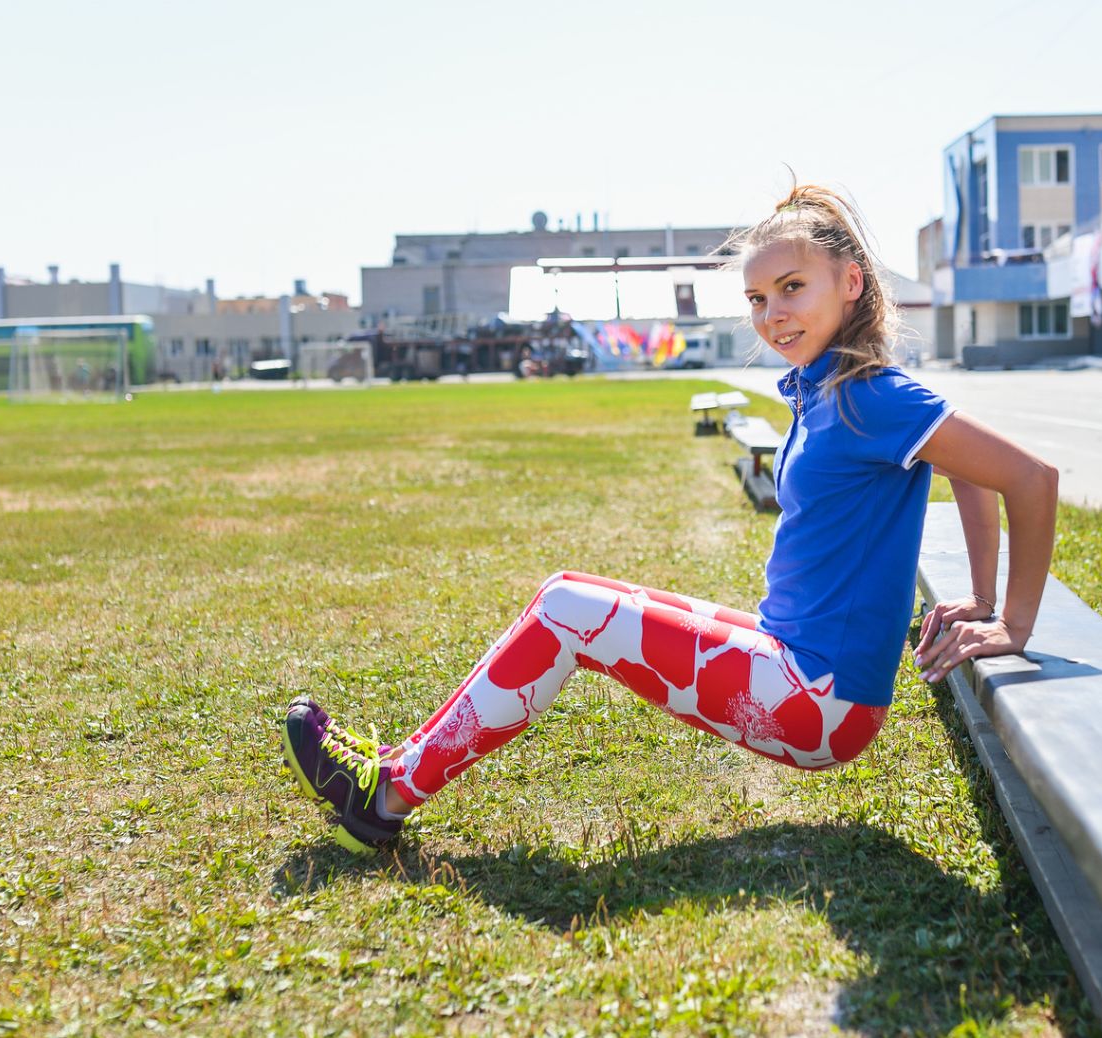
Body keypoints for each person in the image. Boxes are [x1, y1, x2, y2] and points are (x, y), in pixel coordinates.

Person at [280, 184, 1059, 854]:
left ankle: (383, 798)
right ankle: (399, 764)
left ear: (851, 282)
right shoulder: (828, 387)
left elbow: (1027, 478)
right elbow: (963, 473)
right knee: (569, 591)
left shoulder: (872, 394)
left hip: (817, 702)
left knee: (565, 611)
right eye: (757, 299)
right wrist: (978, 597)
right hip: (790, 659)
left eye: (792, 288)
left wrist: (1010, 619)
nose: (772, 314)